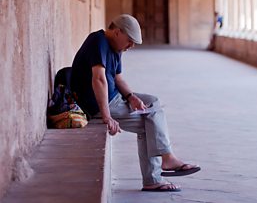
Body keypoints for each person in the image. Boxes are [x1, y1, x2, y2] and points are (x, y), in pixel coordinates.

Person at [71, 14, 200, 192]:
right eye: (130, 41)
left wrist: (131, 97)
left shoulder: (115, 48)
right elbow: (99, 79)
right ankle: (157, 173)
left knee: (152, 102)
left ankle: (165, 161)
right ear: (117, 32)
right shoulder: (97, 41)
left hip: (114, 97)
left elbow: (117, 77)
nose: (131, 46)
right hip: (98, 103)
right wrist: (107, 116)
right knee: (150, 125)